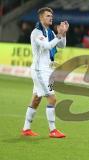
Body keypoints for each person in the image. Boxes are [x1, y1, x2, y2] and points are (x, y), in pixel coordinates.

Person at [21, 7, 69, 138]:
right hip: (40, 71)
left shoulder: (49, 32)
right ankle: (53, 130)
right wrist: (58, 35)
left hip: (48, 71)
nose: (51, 18)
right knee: (52, 99)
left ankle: (26, 129)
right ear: (41, 18)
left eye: (51, 16)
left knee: (36, 99)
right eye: (48, 16)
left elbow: (61, 46)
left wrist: (63, 34)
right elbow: (47, 46)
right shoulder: (37, 32)